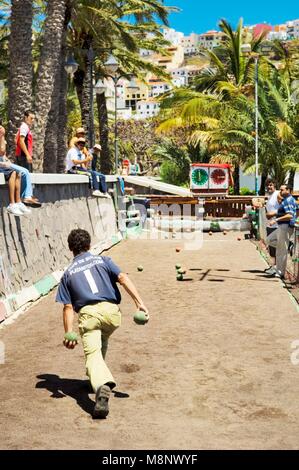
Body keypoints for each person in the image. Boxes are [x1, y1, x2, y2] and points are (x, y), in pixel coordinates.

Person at [56, 229, 148, 418]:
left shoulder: (67, 274)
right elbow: (123, 278)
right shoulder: (104, 260)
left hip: (89, 315)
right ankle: (95, 378)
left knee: (92, 354)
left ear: (70, 249)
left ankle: (101, 385)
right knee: (101, 341)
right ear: (89, 245)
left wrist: (68, 332)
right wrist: (140, 303)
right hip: (112, 314)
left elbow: (67, 307)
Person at [0, 122, 40, 207]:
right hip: (2, 163)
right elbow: (2, 151)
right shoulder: (2, 135)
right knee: (24, 171)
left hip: (4, 161)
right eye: (31, 118)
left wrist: (7, 159)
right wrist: (2, 136)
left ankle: (23, 198)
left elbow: (3, 154)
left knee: (22, 172)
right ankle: (25, 198)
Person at [267, 184, 297, 279]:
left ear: (288, 190)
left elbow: (290, 215)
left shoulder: (288, 200)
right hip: (282, 226)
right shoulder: (288, 200)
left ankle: (280, 272)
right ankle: (289, 245)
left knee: (281, 250)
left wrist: (276, 219)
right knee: (270, 240)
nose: (280, 192)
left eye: (282, 190)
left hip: (285, 226)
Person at [264, 179, 280, 274]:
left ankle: (277, 268)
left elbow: (284, 208)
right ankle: (273, 267)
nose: (269, 187)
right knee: (272, 248)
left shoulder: (278, 194)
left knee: (277, 248)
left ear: (275, 185)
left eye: (271, 185)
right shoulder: (269, 196)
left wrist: (274, 216)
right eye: (268, 185)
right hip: (270, 225)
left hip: (277, 225)